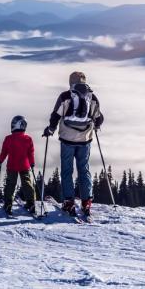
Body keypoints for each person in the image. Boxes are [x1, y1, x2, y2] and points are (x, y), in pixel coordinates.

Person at [43, 71, 103, 217]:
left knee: (67, 171)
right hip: (85, 139)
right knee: (84, 169)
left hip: (67, 139)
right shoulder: (92, 97)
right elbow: (99, 118)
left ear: (71, 82)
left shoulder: (65, 96)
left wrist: (50, 129)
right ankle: (86, 201)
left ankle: (68, 202)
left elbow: (55, 116)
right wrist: (95, 126)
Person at [0, 116, 36, 217]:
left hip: (12, 165)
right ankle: (31, 203)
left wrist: (0, 159)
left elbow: (4, 152)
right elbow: (31, 153)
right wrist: (32, 163)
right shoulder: (28, 139)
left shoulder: (8, 138)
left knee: (10, 184)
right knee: (27, 183)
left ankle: (8, 203)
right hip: (24, 165)